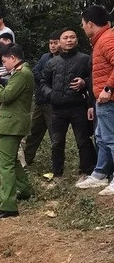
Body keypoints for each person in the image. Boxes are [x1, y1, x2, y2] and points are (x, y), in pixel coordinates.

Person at [0, 44, 34, 220]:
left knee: (5, 164)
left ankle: (8, 205)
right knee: (12, 160)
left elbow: (6, 96)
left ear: (13, 58)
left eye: (4, 61)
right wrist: (0, 82)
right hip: (15, 123)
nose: (4, 64)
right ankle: (26, 190)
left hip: (12, 124)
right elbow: (12, 90)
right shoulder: (21, 73)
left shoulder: (22, 74)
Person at [40, 27, 97, 181]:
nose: (69, 40)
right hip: (57, 109)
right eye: (65, 38)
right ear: (59, 42)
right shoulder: (52, 62)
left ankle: (86, 171)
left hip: (78, 107)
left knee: (83, 140)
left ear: (77, 40)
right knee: (57, 142)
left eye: (72, 37)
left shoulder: (85, 59)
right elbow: (43, 81)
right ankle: (57, 174)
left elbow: (94, 78)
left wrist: (84, 82)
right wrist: (51, 94)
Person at [76, 5, 114, 195]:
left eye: (83, 24)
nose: (82, 28)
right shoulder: (100, 41)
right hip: (101, 101)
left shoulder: (107, 39)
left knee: (111, 139)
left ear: (90, 24)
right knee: (102, 138)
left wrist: (108, 88)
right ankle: (100, 174)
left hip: (110, 99)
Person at [0, 40, 27, 172]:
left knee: (11, 141)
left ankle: (20, 168)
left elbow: (13, 88)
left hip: (4, 108)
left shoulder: (12, 70)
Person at [24, 31, 61, 165]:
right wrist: (44, 81)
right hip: (40, 101)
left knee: (55, 135)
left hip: (53, 103)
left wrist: (46, 82)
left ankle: (56, 163)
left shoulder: (65, 59)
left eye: (55, 43)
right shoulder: (45, 57)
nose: (52, 46)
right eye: (50, 43)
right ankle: (26, 159)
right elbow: (35, 71)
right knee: (33, 132)